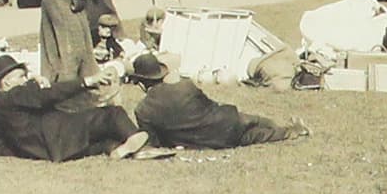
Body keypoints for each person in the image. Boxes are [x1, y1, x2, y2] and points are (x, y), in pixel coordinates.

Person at [0, 54, 149, 162]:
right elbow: (51, 94)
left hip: (50, 151)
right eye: (21, 77)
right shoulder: (15, 94)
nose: (26, 79)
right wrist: (87, 81)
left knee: (101, 140)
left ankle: (116, 148)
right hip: (59, 135)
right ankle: (137, 139)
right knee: (112, 114)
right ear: (7, 82)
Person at [128, 54, 310, 149]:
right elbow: (209, 105)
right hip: (224, 121)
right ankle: (290, 129)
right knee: (254, 121)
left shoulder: (142, 110)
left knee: (254, 137)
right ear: (161, 74)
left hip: (205, 142)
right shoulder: (185, 86)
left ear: (140, 82)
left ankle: (290, 132)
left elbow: (154, 143)